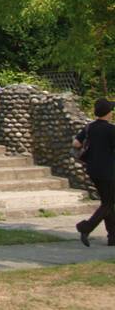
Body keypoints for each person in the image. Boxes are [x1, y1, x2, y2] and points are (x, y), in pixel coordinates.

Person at [73, 98, 115, 246]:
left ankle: (112, 237)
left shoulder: (89, 127)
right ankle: (86, 227)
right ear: (108, 113)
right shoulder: (111, 130)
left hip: (92, 169)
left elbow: (76, 143)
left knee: (107, 202)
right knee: (109, 203)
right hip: (108, 170)